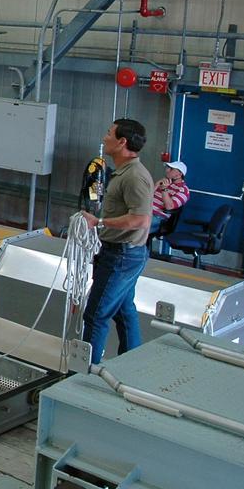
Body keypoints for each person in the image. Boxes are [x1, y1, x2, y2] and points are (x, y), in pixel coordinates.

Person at [79, 118, 153, 364]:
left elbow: (141, 219)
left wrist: (99, 223)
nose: (104, 138)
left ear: (122, 142)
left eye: (108, 134)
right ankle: (132, 363)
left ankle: (83, 373)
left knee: (96, 315)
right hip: (118, 252)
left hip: (122, 256)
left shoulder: (135, 177)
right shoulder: (124, 173)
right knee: (123, 311)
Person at [151, 160, 190, 231]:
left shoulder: (183, 190)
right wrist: (156, 185)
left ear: (179, 174)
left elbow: (169, 206)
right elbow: (145, 198)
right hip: (145, 211)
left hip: (157, 217)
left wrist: (164, 190)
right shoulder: (165, 182)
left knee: (134, 227)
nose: (167, 170)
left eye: (171, 169)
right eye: (167, 167)